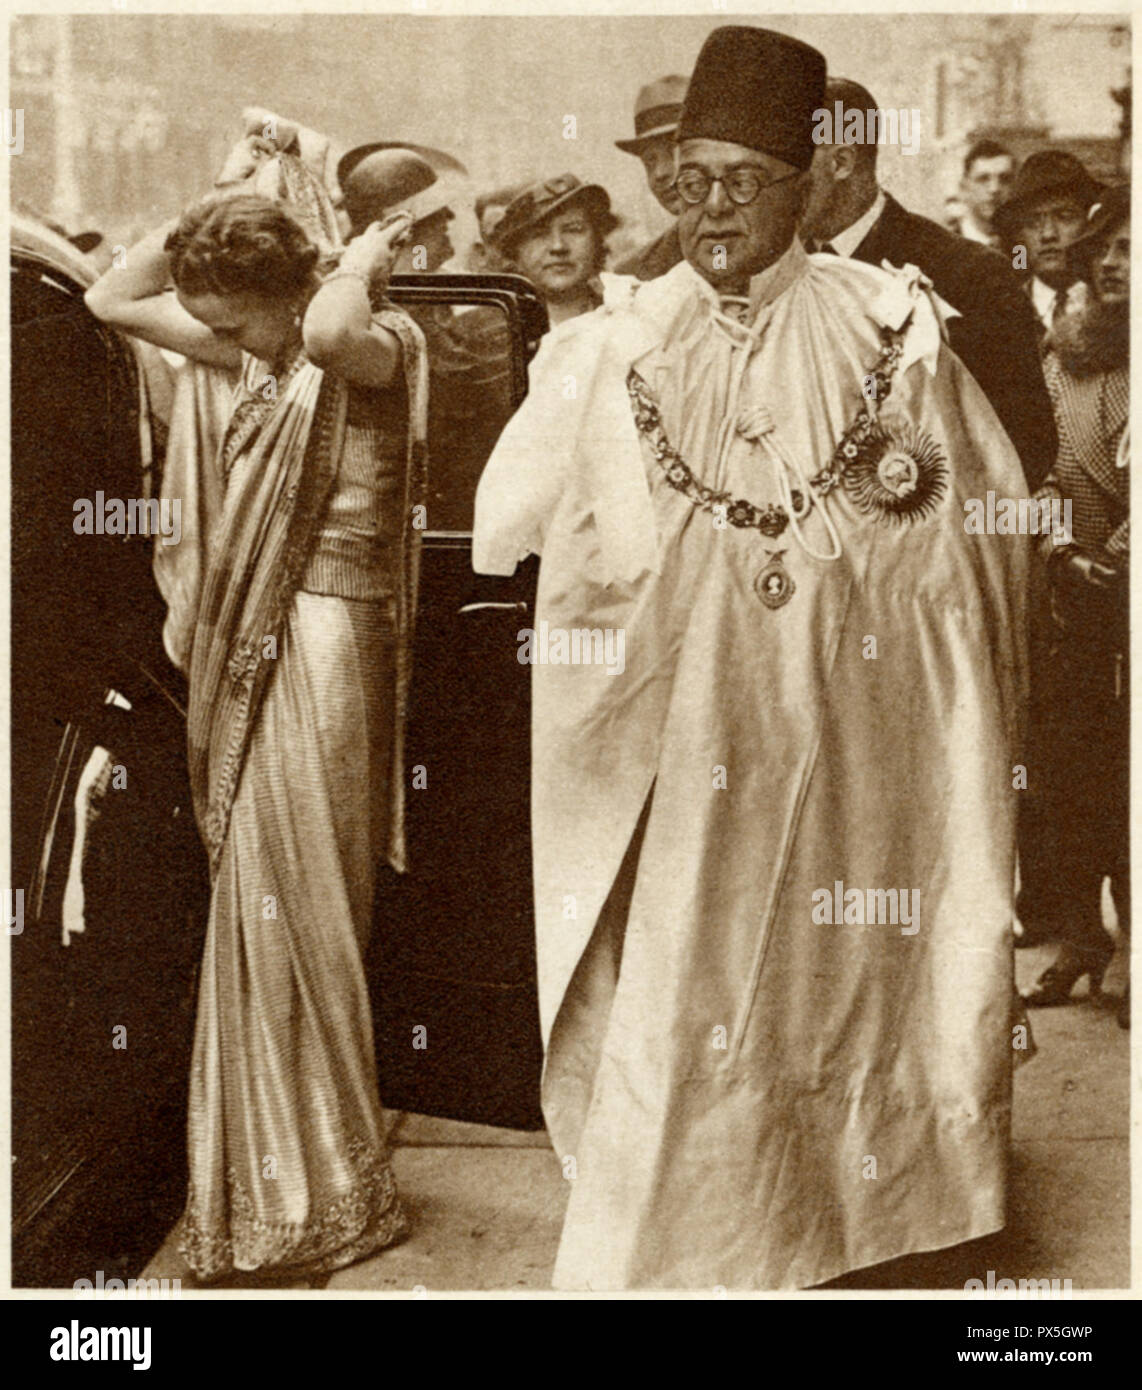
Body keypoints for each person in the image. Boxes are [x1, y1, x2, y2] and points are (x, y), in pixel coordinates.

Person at [473, 26, 1029, 1290]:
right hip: (691, 734)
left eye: (741, 182)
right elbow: (512, 535)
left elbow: (970, 549)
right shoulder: (611, 345)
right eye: (689, 180)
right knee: (695, 971)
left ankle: (862, 1217)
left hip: (856, 728)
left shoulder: (894, 326)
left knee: (848, 970)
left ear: (806, 184)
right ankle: (691, 1240)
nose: (709, 208)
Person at [85, 185, 428, 1281]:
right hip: (264, 639)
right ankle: (279, 1181)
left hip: (328, 639)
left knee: (306, 904)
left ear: (286, 295)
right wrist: (216, 205)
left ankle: (327, 1189)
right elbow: (110, 292)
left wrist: (356, 252)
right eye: (214, 326)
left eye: (232, 324)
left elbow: (328, 325)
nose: (216, 345)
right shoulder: (265, 353)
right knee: (256, 901)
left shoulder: (372, 343)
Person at [801, 77, 1056, 488]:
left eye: (790, 162)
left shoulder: (971, 275)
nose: (773, 183)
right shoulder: (781, 274)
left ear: (842, 161)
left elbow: (1027, 446)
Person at [1017, 185, 1129, 1026]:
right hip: (1079, 599)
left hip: (1128, 582)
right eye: (1108, 253)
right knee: (1075, 773)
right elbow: (1043, 467)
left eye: (1134, 249)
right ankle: (1083, 942)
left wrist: (1122, 554)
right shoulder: (1066, 358)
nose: (1119, 264)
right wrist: (1061, 550)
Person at [994, 150, 1103, 343]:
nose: (1048, 234)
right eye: (1033, 221)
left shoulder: (1114, 309)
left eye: (1065, 216)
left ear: (1091, 223)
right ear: (1018, 234)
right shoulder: (1001, 315)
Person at [489, 174, 619, 326]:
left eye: (573, 229)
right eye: (538, 235)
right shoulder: (485, 331)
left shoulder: (628, 315)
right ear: (515, 252)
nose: (558, 246)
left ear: (597, 241)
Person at [612, 74, 688, 281]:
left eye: (673, 152)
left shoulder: (761, 244)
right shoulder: (634, 273)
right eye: (649, 162)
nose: (660, 173)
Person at [948, 138, 1015, 246]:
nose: (994, 189)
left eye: (1005, 179)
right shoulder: (942, 248)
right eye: (983, 179)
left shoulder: (1023, 250)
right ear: (963, 189)